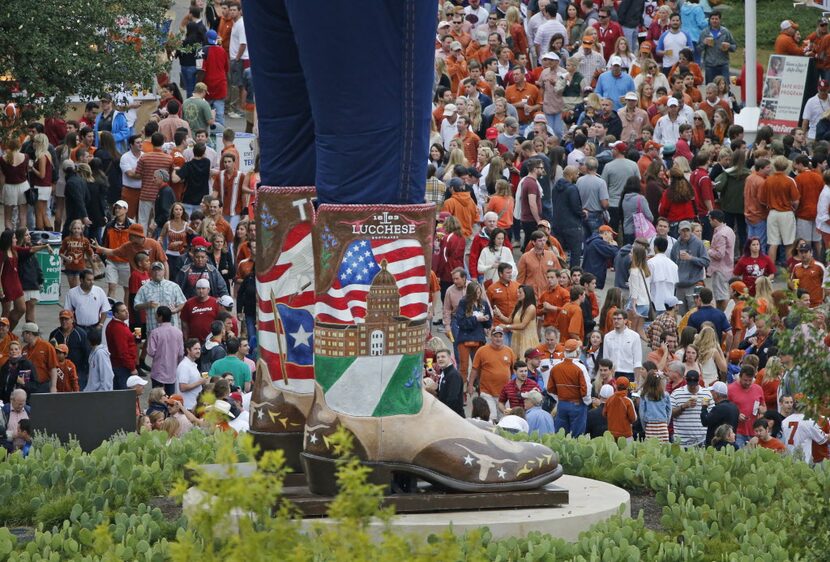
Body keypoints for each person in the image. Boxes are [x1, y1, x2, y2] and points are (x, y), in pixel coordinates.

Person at [468, 325, 514, 422]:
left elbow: (514, 370)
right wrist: (470, 385)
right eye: (495, 336)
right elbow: (474, 369)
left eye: (500, 336)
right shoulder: (482, 351)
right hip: (487, 392)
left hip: (504, 394)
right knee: (490, 419)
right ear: (491, 337)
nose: (498, 339)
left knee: (504, 420)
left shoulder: (509, 351)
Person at [547, 338, 591, 435]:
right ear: (577, 351)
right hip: (578, 404)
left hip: (562, 404)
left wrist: (559, 398)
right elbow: (586, 390)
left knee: (560, 435)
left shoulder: (556, 367)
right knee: (577, 436)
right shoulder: (580, 367)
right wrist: (587, 403)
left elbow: (550, 389)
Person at [134, 262, 186, 333]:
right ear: (150, 272)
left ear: (164, 271)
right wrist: (147, 305)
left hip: (172, 327)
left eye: (159, 270)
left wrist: (175, 310)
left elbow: (183, 303)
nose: (157, 272)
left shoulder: (174, 286)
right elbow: (136, 306)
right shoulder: (144, 288)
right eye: (154, 270)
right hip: (153, 327)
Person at [670, 221, 709, 312]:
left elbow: (706, 262)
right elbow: (672, 263)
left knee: (694, 312)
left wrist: (691, 258)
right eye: (683, 231)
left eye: (687, 230)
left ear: (691, 231)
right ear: (679, 231)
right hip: (679, 286)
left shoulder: (698, 244)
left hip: (693, 284)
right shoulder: (676, 245)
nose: (685, 233)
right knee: (681, 314)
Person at [145, 306, 184, 395]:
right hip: (172, 371)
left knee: (156, 397)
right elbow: (181, 353)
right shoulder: (178, 332)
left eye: (156, 315)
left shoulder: (155, 332)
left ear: (160, 317)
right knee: (170, 398)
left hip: (158, 371)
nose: (155, 317)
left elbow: (151, 352)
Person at [670, 369, 712, 447]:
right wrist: (684, 406)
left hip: (702, 440)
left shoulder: (707, 393)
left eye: (694, 384)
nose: (692, 386)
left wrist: (704, 409)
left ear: (698, 381)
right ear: (686, 381)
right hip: (681, 440)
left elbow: (712, 415)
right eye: (690, 384)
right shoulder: (676, 393)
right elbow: (670, 414)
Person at [728, 365, 766, 449]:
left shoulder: (758, 389)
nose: (748, 383)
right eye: (745, 380)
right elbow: (726, 409)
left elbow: (764, 407)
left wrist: (762, 409)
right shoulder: (730, 389)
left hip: (755, 431)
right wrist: (736, 415)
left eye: (750, 380)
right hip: (738, 431)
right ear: (740, 376)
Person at [106, 302, 138, 391]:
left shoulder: (116, 325)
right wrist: (132, 368)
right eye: (123, 311)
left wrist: (130, 336)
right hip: (122, 367)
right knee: (124, 394)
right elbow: (123, 352)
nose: (127, 312)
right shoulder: (118, 328)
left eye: (126, 309)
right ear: (116, 314)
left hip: (119, 365)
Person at [697, 11, 737, 83]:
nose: (714, 21)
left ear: (720, 20)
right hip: (710, 65)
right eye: (712, 19)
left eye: (716, 19)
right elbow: (698, 49)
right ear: (709, 20)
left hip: (723, 64)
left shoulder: (725, 32)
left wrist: (729, 46)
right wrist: (704, 43)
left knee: (725, 87)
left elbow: (734, 47)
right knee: (711, 88)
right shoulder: (704, 32)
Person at [603, 310, 642, 378]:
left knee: (630, 388)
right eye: (614, 319)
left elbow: (637, 361)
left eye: (619, 319)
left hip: (629, 373)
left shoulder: (635, 336)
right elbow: (606, 358)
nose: (616, 321)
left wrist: (636, 380)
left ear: (625, 320)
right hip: (612, 373)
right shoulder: (607, 337)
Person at [504, 286, 540, 360]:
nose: (518, 294)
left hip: (527, 339)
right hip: (517, 338)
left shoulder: (531, 308)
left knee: (526, 362)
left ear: (527, 294)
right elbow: (509, 320)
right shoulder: (518, 305)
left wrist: (507, 327)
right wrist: (499, 315)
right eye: (518, 292)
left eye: (520, 292)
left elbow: (523, 325)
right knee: (516, 363)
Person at [699, 381, 739, 446]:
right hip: (731, 444)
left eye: (712, 392)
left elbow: (705, 421)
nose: (711, 394)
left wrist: (704, 407)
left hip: (718, 446)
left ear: (716, 394)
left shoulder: (719, 408)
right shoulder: (734, 407)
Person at [789, 242, 827, 307]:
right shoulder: (796, 267)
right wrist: (795, 301)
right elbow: (795, 286)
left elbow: (826, 284)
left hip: (817, 305)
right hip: (802, 305)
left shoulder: (819, 266)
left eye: (806, 252)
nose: (803, 254)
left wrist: (823, 300)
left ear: (811, 252)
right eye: (801, 252)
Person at [639, 371, 672, 442]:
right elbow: (669, 411)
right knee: (663, 450)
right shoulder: (665, 395)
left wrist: (644, 427)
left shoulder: (645, 395)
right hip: (663, 425)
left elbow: (642, 413)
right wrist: (666, 423)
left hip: (650, 425)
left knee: (650, 449)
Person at [177, 338, 207, 411]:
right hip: (188, 407)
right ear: (188, 350)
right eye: (195, 349)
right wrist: (200, 382)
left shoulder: (192, 364)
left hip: (194, 406)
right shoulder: (184, 366)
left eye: (199, 349)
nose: (198, 351)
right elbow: (183, 387)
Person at [603, 376, 636, 440]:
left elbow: (604, 414)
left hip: (611, 434)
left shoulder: (609, 399)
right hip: (626, 435)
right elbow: (633, 418)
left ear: (615, 386)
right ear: (627, 387)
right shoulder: (628, 401)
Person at [434, 348, 464, 418]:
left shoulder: (453, 375)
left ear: (450, 358)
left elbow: (452, 399)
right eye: (438, 357)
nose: (440, 359)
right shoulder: (444, 373)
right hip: (447, 415)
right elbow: (442, 394)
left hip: (454, 417)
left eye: (443, 357)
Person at [84, 328, 114, 392]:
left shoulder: (100, 353)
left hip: (100, 394)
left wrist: (103, 392)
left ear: (89, 341)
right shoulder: (93, 352)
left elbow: (107, 374)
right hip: (92, 392)